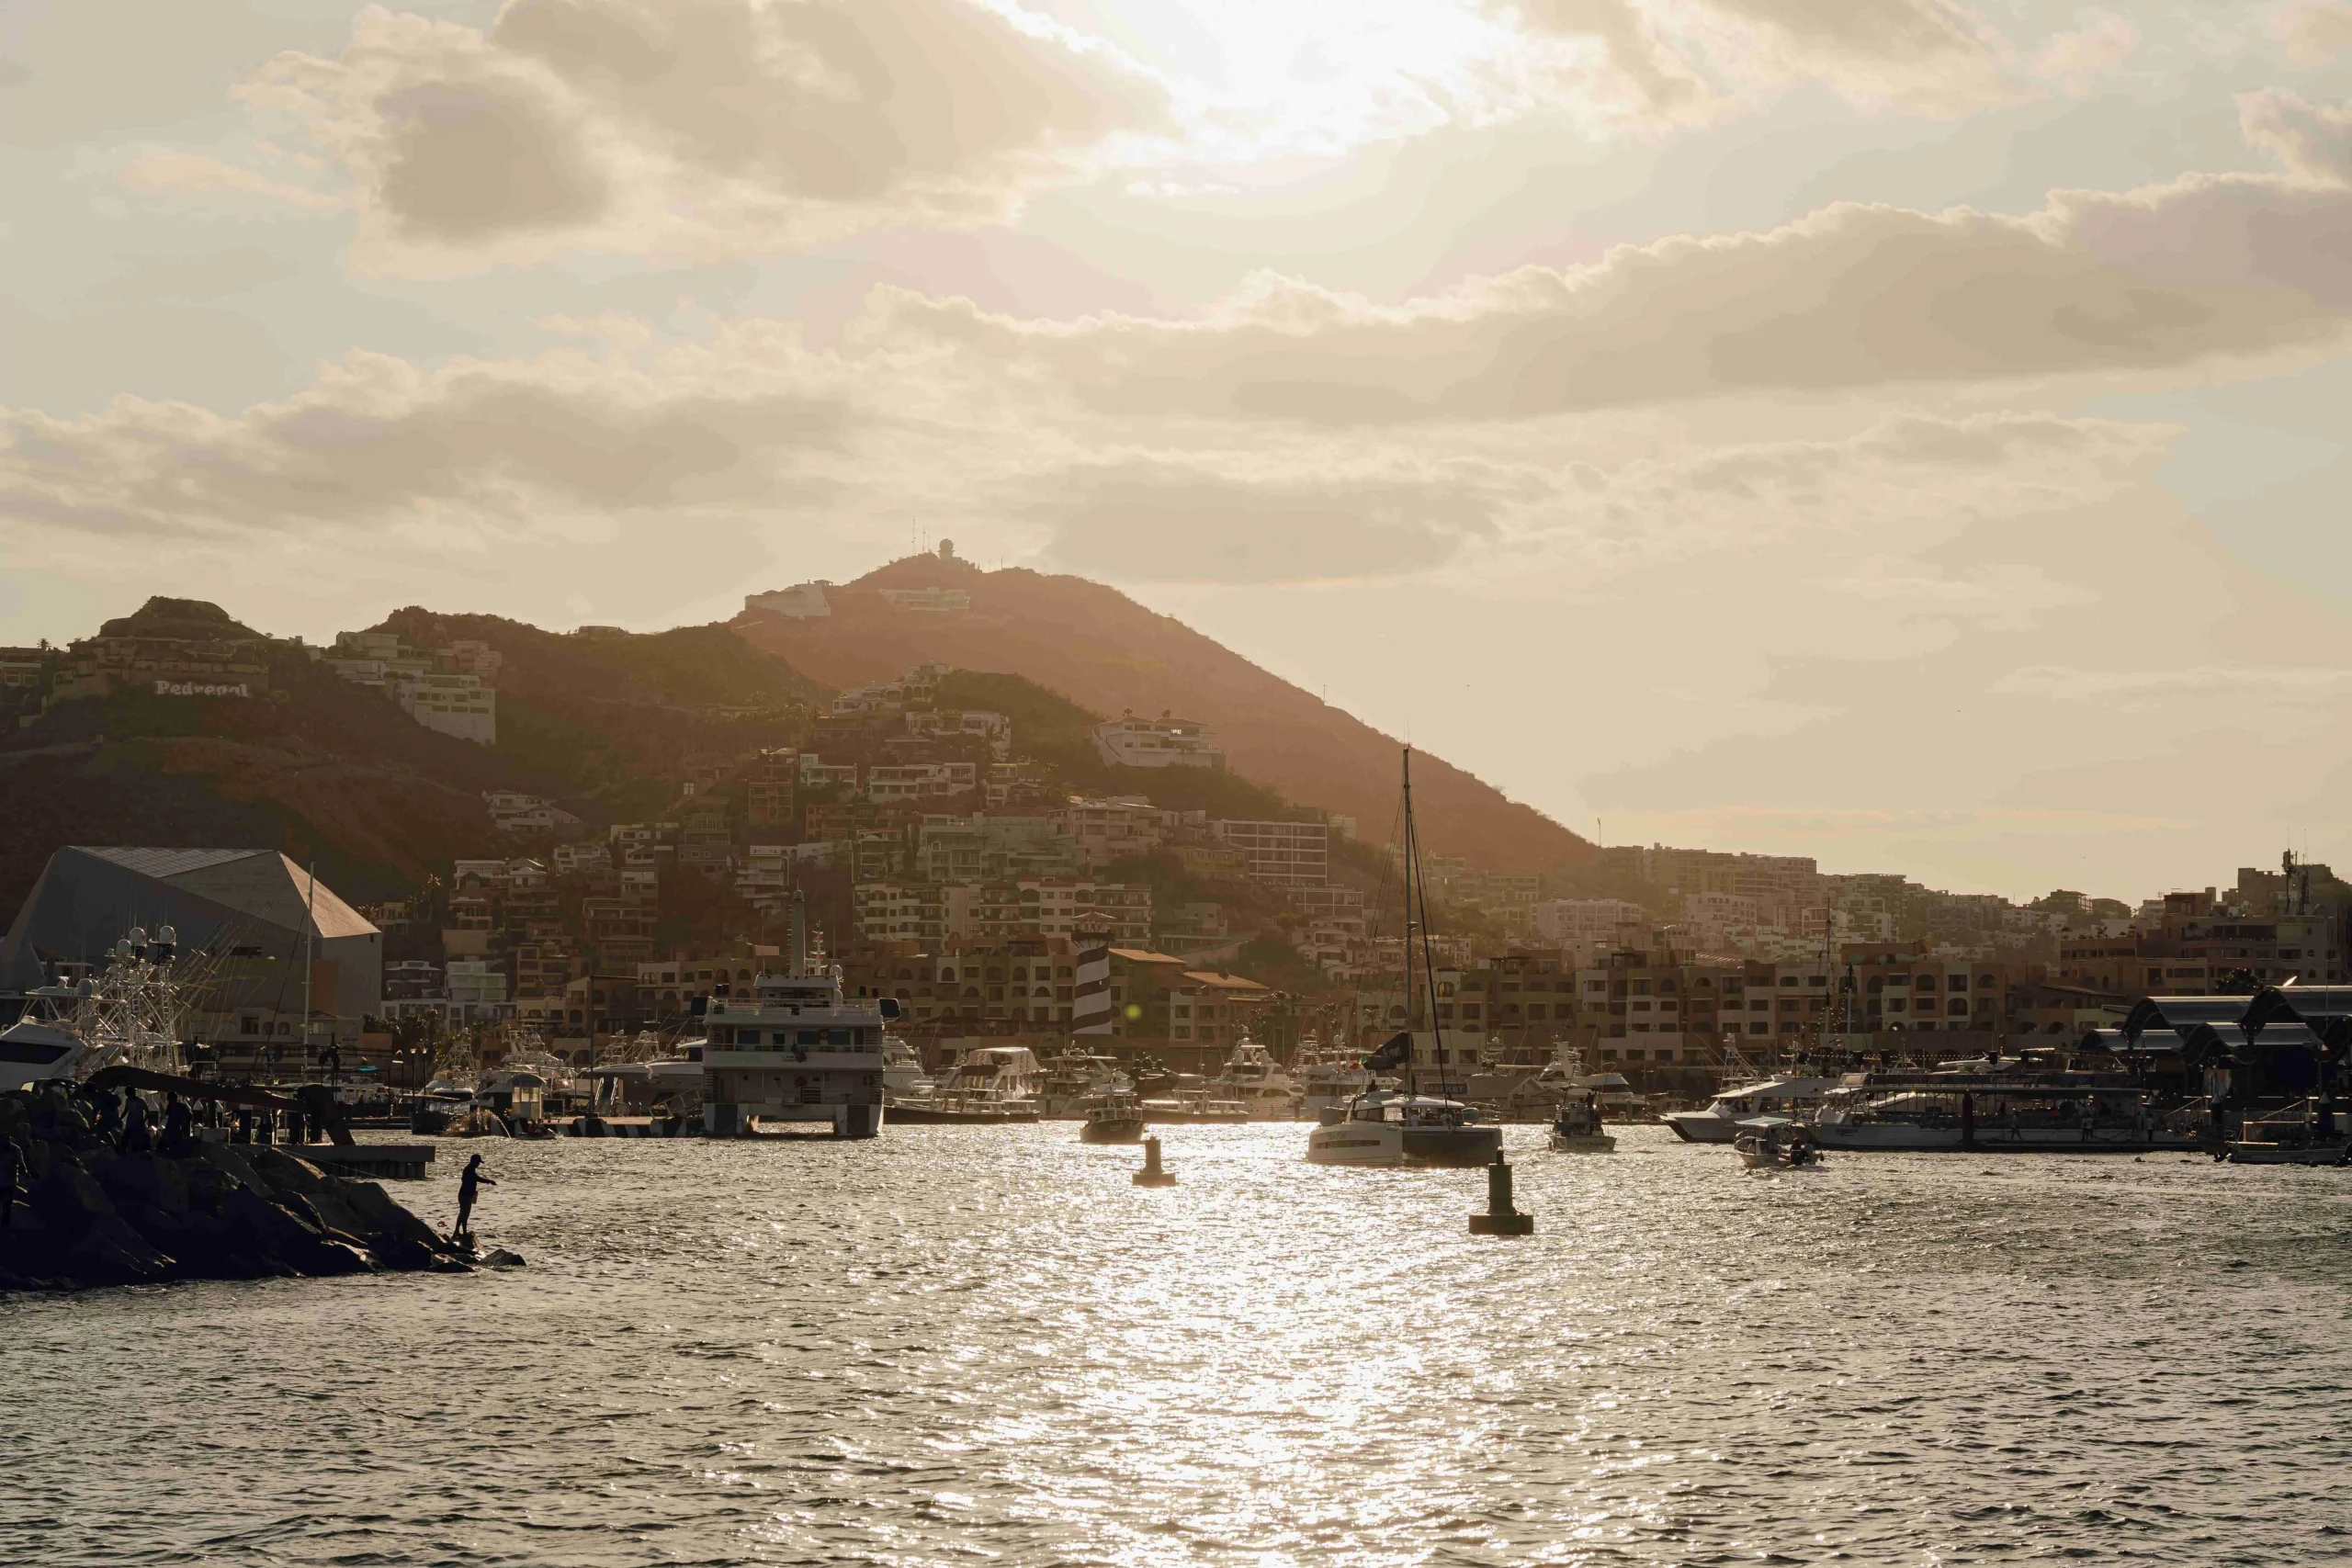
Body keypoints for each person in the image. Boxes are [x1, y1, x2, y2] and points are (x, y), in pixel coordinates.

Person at [455, 1154, 495, 1242]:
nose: (478, 1164)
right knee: (465, 1214)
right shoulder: (469, 1169)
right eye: (478, 1162)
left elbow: (474, 1179)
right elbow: (477, 1179)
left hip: (464, 1195)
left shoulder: (469, 1169)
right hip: (465, 1195)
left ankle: (457, 1232)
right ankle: (463, 1233)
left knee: (462, 1214)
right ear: (473, 1161)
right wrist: (489, 1181)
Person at [0, 1135, 23, 1228]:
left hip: (9, 1182)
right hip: (7, 1181)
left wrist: (26, 1172)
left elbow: (21, 1164)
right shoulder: (15, 1149)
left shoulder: (15, 1149)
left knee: (7, 1205)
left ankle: (5, 1224)